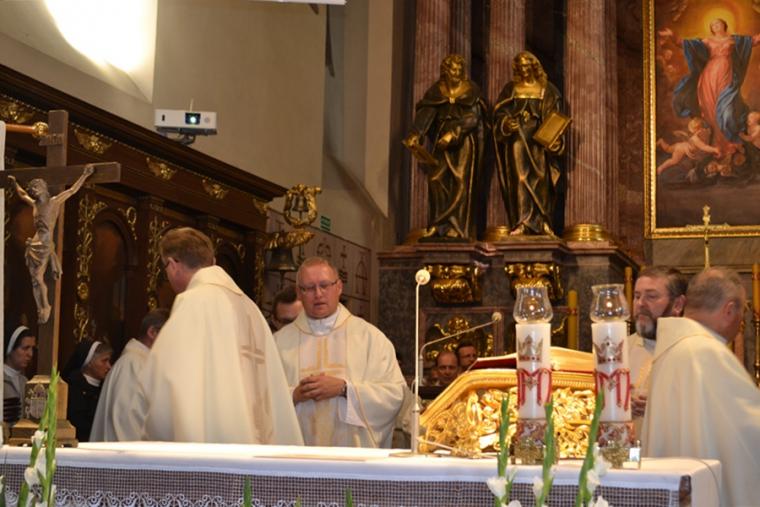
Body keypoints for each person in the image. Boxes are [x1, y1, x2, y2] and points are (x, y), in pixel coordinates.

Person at [129, 227, 302, 444]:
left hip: (213, 444)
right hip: (257, 443)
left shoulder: (193, 301)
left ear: (172, 265)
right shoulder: (250, 307)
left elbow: (166, 380)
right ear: (212, 261)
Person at [642, 267, 760, 507]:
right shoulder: (708, 353)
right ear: (729, 309)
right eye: (742, 311)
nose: (740, 321)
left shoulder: (668, 352)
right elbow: (749, 432)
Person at [276, 257, 405, 448]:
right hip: (297, 456)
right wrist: (294, 395)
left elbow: (394, 395)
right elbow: (259, 398)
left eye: (324, 285)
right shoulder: (279, 343)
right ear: (299, 293)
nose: (318, 294)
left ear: (339, 287)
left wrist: (345, 389)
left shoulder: (370, 338)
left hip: (352, 458)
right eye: (309, 288)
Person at [402, 54, 486, 240]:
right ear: (445, 71)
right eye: (453, 70)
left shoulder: (471, 90)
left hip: (463, 141)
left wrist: (454, 133)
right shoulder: (437, 91)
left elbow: (473, 118)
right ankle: (438, 225)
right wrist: (416, 134)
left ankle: (457, 228)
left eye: (459, 70)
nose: (456, 73)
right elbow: (426, 113)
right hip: (441, 140)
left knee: (461, 182)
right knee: (436, 180)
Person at [7, 165, 94, 323]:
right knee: (35, 279)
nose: (33, 191)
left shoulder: (54, 202)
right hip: (34, 242)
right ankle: (41, 307)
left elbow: (72, 190)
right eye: (32, 189)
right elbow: (22, 194)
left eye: (36, 188)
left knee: (38, 277)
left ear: (43, 188)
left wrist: (84, 175)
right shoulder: (35, 204)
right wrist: (14, 183)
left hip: (45, 244)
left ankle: (45, 306)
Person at [661, 19, 760, 155]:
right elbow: (685, 44)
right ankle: (717, 144)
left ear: (724, 25)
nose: (715, 25)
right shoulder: (707, 41)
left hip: (727, 74)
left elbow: (753, 41)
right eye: (713, 25)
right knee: (710, 108)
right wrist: (672, 36)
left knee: (726, 108)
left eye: (718, 23)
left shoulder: (734, 40)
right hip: (709, 75)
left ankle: (730, 141)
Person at [493, 51, 566, 236]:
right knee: (520, 178)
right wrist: (506, 124)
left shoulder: (547, 89)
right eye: (520, 67)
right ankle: (522, 222)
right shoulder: (511, 89)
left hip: (540, 142)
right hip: (518, 139)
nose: (524, 70)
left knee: (542, 180)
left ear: (534, 66)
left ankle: (543, 221)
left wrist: (554, 138)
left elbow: (555, 117)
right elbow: (499, 114)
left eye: (527, 66)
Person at [90, 308, 169, 441]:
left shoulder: (142, 363)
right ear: (152, 332)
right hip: (129, 453)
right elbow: (126, 424)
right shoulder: (133, 365)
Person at [627, 266, 687, 436]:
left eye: (651, 297)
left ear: (678, 304)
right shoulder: (619, 349)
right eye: (637, 296)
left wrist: (663, 409)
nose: (640, 304)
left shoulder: (692, 350)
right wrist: (618, 405)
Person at [63, 340, 113, 442]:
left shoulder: (107, 386)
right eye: (104, 361)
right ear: (89, 362)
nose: (109, 366)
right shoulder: (73, 388)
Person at [656, 118, 720, 174]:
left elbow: (706, 137)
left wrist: (714, 148)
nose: (701, 130)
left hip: (682, 145)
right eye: (698, 130)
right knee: (673, 160)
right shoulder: (696, 139)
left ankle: (661, 142)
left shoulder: (702, 131)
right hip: (681, 150)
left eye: (701, 128)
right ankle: (661, 167)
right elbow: (704, 147)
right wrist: (714, 149)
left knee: (668, 149)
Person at [3, 323, 36, 424]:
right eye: (25, 348)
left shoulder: (26, 382)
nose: (30, 354)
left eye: (32, 348)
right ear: (10, 349)